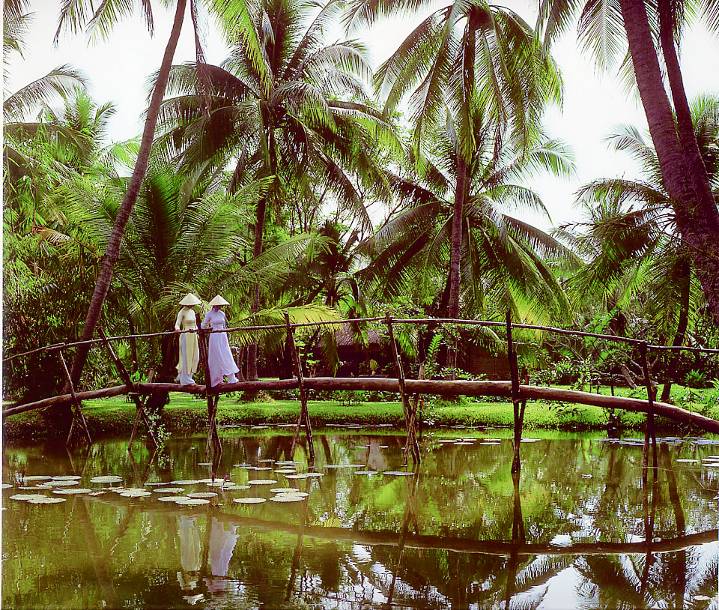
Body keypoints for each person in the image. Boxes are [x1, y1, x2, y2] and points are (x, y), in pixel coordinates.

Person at [201, 295, 239, 386]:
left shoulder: (222, 313)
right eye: (218, 305)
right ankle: (216, 379)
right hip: (214, 336)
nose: (219, 306)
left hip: (223, 336)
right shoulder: (209, 314)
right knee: (216, 356)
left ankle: (231, 377)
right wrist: (209, 328)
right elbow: (203, 325)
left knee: (226, 354)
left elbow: (225, 325)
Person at [175, 293, 201, 385]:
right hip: (185, 335)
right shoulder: (182, 312)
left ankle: (189, 377)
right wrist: (177, 329)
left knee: (195, 357)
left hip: (193, 335)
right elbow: (177, 324)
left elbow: (195, 325)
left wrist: (197, 330)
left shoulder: (193, 312)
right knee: (186, 356)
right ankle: (185, 379)